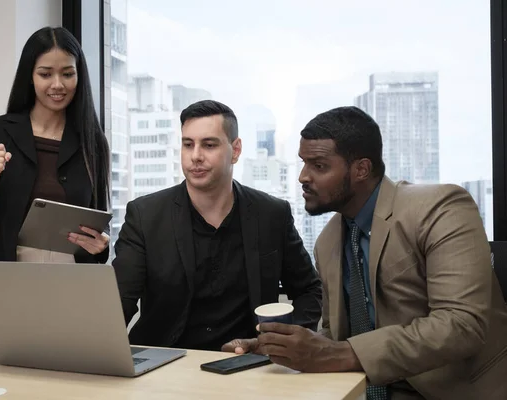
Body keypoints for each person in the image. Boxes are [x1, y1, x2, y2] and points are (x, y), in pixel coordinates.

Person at [224, 106, 507, 399]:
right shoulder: (328, 241)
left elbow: (461, 325)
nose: (303, 177)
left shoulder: (440, 208)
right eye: (303, 163)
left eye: (319, 166)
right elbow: (335, 340)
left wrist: (339, 352)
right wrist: (284, 349)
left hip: (458, 391)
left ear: (361, 169)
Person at [112, 100, 322, 351]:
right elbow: (117, 304)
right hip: (164, 367)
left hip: (246, 364)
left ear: (235, 150)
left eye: (209, 145)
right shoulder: (145, 216)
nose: (195, 156)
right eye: (187, 144)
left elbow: (309, 289)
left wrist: (283, 343)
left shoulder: (272, 214)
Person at [0, 27, 110, 264]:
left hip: (73, 278)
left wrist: (101, 245)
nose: (58, 85)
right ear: (30, 76)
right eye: (45, 74)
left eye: (67, 74)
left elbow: (99, 224)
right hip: (11, 275)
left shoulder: (93, 141)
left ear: (79, 76)